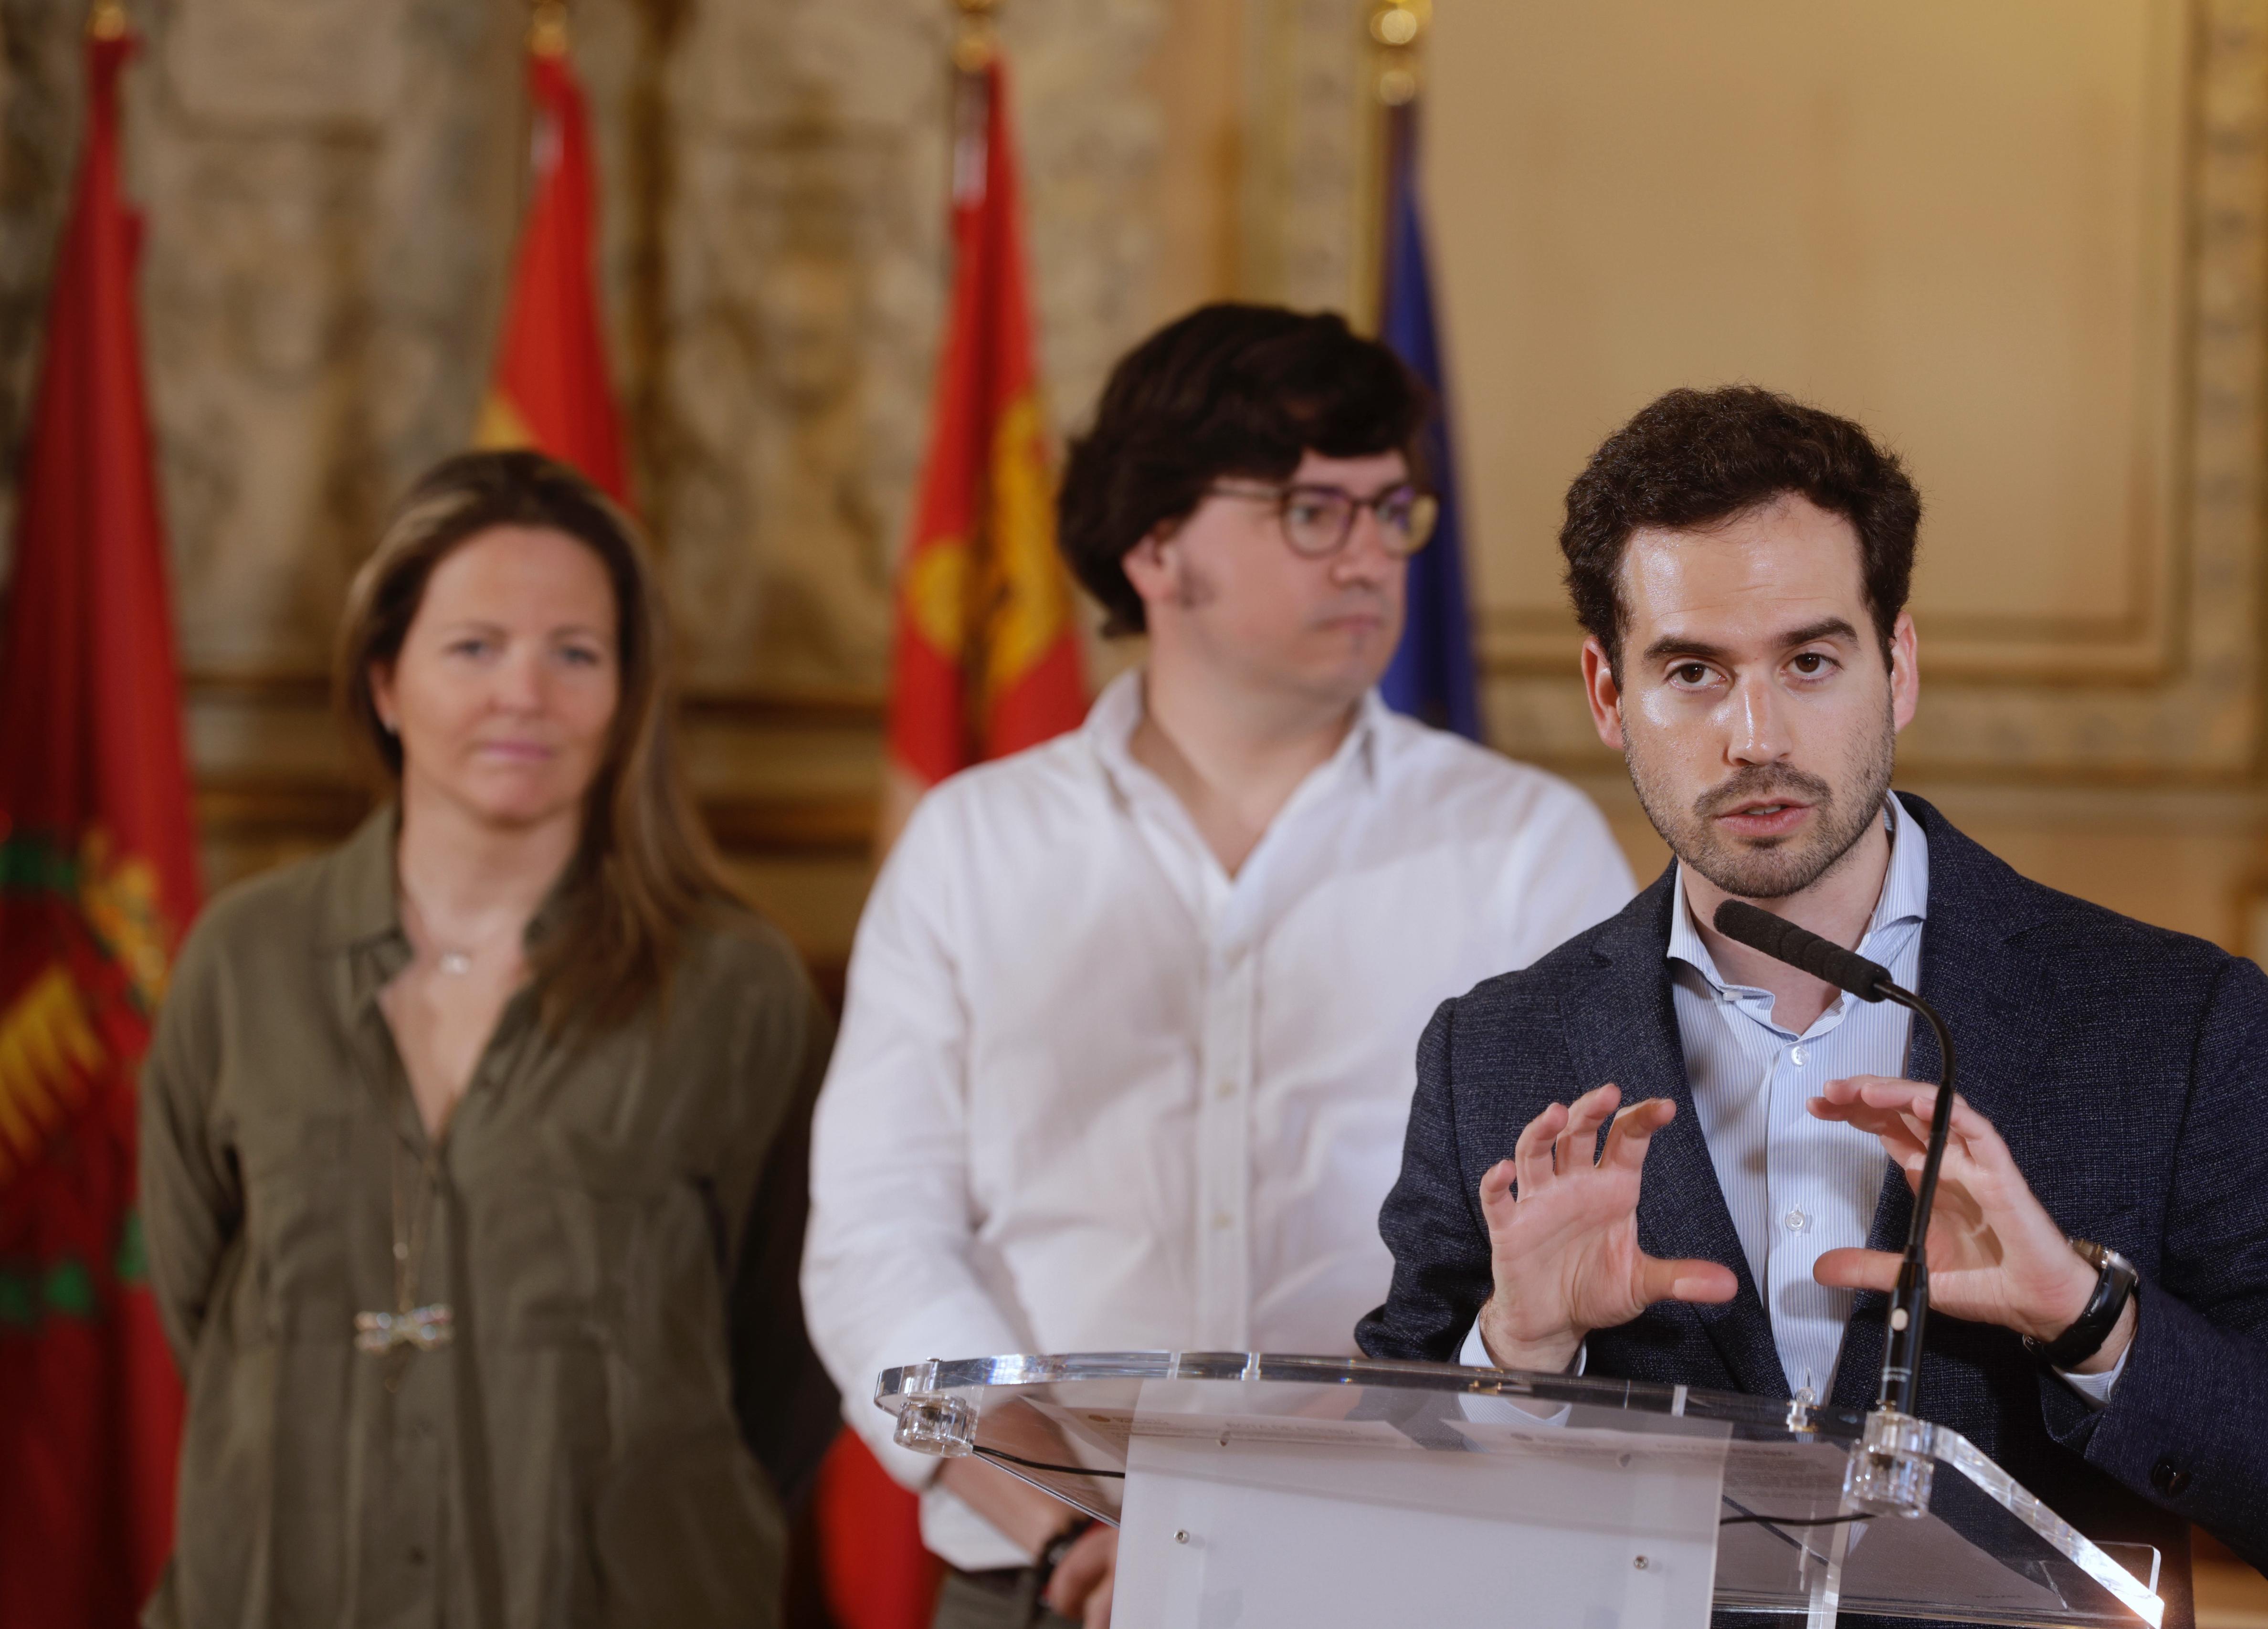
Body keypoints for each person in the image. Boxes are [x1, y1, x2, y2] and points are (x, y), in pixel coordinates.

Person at [1358, 386, 2268, 1621]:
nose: (1756, 736)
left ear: (1900, 666)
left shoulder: (2168, 1021)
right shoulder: (1494, 1050)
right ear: (1608, 693)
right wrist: (1520, 1352)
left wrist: (2090, 1320)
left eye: (1810, 661)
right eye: (1693, 671)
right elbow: (1375, 1526)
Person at [804, 304, 1635, 1629]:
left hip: (1406, 1570)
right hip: (1042, 1574)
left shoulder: (1523, 847)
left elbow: (1589, 1233)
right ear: (1154, 545)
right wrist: (1071, 1520)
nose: (1369, 555)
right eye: (1312, 511)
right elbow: (875, 1239)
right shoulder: (974, 844)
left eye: (1391, 511)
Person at [138, 452, 831, 1628]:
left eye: (576, 654)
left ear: (627, 696)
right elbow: (203, 1311)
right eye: (474, 647)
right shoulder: (241, 962)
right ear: (385, 681)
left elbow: (791, 1357)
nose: (526, 694)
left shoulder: (737, 989)